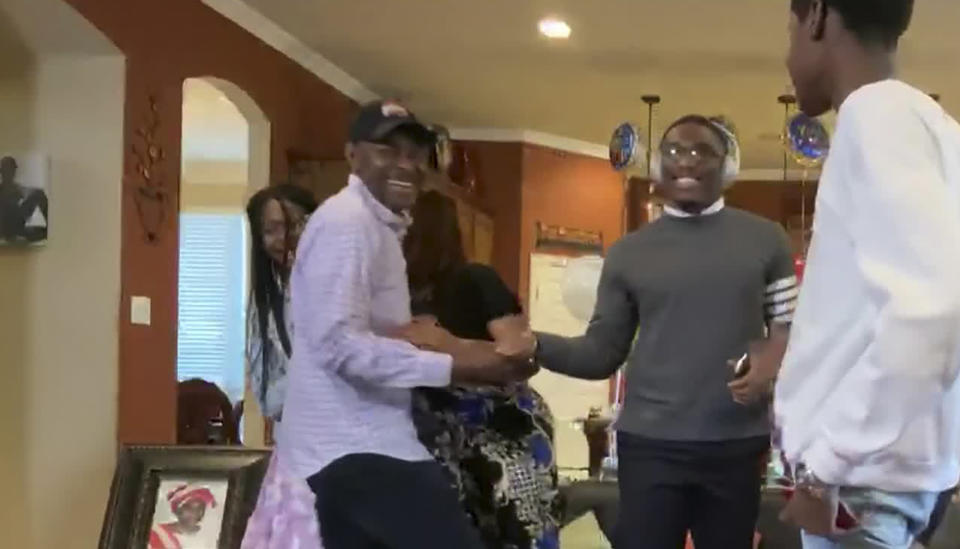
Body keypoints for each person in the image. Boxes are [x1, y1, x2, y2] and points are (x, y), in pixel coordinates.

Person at [501, 115, 797, 549]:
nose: (686, 161)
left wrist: (771, 361)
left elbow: (791, 331)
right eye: (674, 150)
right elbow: (601, 353)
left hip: (736, 446)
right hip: (650, 447)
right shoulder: (627, 254)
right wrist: (536, 345)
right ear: (657, 166)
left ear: (727, 167)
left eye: (702, 151)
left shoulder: (767, 240)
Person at [273, 100, 535, 549]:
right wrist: (446, 362)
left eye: (415, 154)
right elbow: (340, 346)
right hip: (355, 447)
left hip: (357, 444)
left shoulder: (378, 230)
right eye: (388, 150)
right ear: (353, 155)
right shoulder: (347, 222)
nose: (406, 165)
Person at [774, 1, 960, 548]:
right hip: (890, 483)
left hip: (859, 490)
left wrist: (826, 465)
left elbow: (934, 312)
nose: (787, 53)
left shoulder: (875, 115)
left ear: (816, 18)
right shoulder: (939, 130)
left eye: (789, 30)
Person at [405, 190, 560, 549]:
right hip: (441, 433)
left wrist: (447, 347)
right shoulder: (387, 294)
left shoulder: (474, 279)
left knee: (508, 530)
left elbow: (522, 356)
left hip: (498, 427)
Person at [245, 183, 318, 423]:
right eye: (270, 230)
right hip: (298, 439)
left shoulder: (342, 285)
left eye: (295, 225)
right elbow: (268, 400)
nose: (284, 239)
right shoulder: (262, 305)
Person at [148, 484, 218, 549]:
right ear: (177, 510)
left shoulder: (209, 536)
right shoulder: (157, 533)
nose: (194, 512)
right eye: (188, 507)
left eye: (200, 508)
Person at [0, 156, 48, 242]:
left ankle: (47, 230)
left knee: (39, 193)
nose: (10, 173)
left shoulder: (18, 188)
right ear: (2, 171)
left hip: (19, 224)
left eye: (11, 170)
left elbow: (28, 199)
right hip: (6, 227)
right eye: (6, 170)